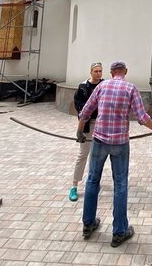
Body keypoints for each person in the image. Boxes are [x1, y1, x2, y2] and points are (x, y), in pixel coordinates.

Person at [76, 60, 152, 247]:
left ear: (110, 72)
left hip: (99, 140)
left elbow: (85, 111)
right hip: (119, 143)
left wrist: (80, 131)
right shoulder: (130, 88)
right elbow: (142, 118)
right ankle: (119, 231)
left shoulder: (102, 86)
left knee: (93, 180)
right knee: (120, 184)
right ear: (125, 71)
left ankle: (88, 224)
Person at [69, 62, 104, 202]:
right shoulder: (83, 87)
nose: (98, 73)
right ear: (91, 72)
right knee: (83, 154)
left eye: (100, 71)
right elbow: (80, 108)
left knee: (97, 155)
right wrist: (80, 129)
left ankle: (94, 182)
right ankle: (74, 185)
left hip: (101, 123)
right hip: (87, 124)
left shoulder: (104, 85)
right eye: (96, 71)